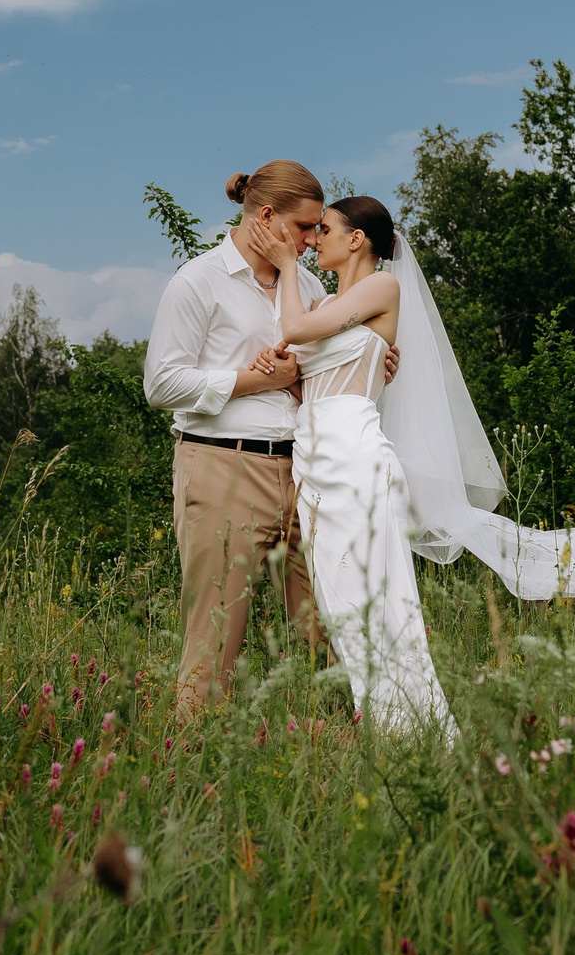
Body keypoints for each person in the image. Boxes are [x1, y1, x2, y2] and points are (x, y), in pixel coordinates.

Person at [244, 194, 575, 734]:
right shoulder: (331, 302)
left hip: (352, 455)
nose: (311, 240)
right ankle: (377, 716)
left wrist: (283, 268)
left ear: (357, 240)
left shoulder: (382, 286)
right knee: (340, 600)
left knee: (376, 593)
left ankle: (415, 726)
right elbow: (301, 353)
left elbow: (299, 332)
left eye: (323, 229)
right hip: (314, 459)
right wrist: (279, 363)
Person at [143, 161, 395, 717]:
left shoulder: (304, 285)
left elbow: (323, 366)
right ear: (266, 217)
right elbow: (161, 383)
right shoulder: (197, 282)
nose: (312, 240)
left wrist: (373, 359)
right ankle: (191, 759)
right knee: (217, 627)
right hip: (223, 467)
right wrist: (252, 381)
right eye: (305, 227)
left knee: (326, 621)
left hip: (308, 472)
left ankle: (334, 754)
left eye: (316, 230)